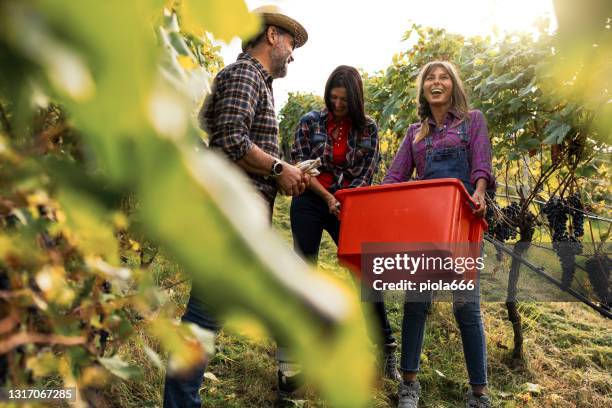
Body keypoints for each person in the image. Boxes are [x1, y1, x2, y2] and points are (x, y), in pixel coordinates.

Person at [163, 6, 310, 407]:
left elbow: (228, 137)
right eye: (291, 42)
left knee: (209, 319)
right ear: (272, 36)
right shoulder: (245, 74)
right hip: (230, 221)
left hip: (240, 220)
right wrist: (279, 168)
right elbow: (230, 139)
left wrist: (285, 171)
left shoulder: (255, 80)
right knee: (205, 322)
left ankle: (289, 369)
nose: (293, 54)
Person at [383, 61, 494, 408]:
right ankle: (409, 386)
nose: (436, 82)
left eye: (443, 76)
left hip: (461, 222)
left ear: (453, 85)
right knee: (416, 303)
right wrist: (370, 202)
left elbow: (481, 162)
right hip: (426, 227)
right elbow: (394, 178)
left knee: (466, 307)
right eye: (430, 78)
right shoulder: (415, 133)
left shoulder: (471, 121)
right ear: (423, 89)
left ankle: (479, 393)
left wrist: (478, 191)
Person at [290, 65, 401, 382]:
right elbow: (301, 166)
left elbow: (366, 173)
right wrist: (328, 198)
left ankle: (385, 349)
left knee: (365, 270)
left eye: (343, 99)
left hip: (350, 204)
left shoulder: (368, 128)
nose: (337, 104)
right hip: (312, 198)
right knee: (303, 268)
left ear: (355, 99)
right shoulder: (310, 122)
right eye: (332, 98)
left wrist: (346, 201)